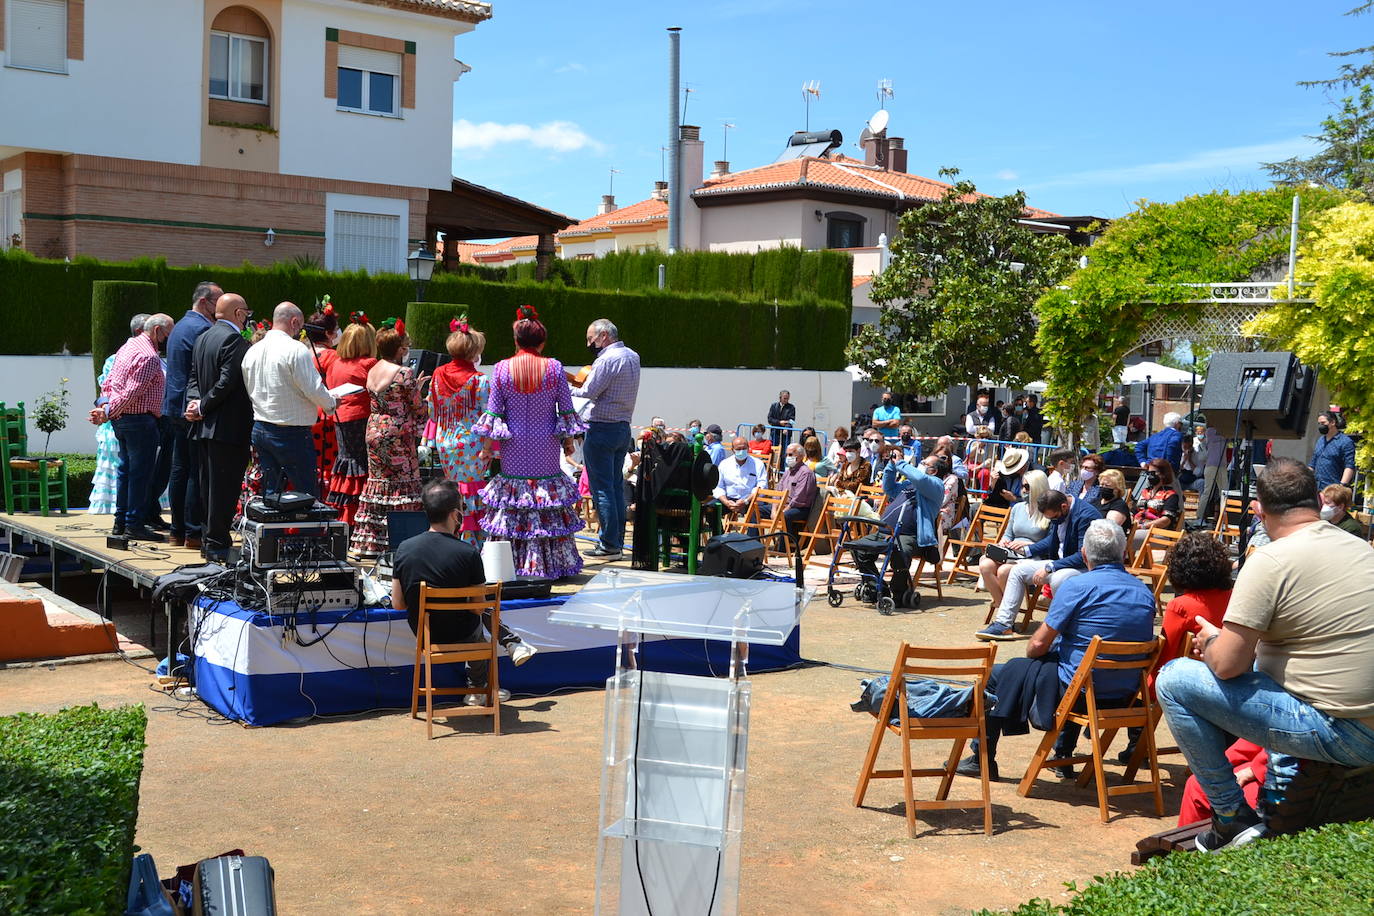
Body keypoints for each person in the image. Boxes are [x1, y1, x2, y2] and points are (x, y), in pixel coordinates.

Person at [1156, 458, 1374, 852]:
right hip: (1358, 717)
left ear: (1258, 508)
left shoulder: (1271, 559)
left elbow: (1226, 666)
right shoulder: (1358, 547)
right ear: (1316, 501)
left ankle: (1229, 816)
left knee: (1174, 679)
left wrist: (1211, 641)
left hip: (1344, 731)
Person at [958, 520, 1156, 779]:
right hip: (1125, 695)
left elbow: (1036, 646)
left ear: (1084, 554)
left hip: (1081, 694)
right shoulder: (1144, 592)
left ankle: (981, 758)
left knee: (998, 673)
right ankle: (1063, 756)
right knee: (1073, 663)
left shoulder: (1079, 586)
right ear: (1123, 553)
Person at [391, 479, 536, 707]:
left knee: (474, 618)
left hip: (426, 635)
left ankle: (486, 676)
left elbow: (398, 604)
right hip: (463, 634)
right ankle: (478, 686)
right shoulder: (468, 553)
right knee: (479, 615)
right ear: (455, 515)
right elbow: (477, 607)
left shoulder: (403, 549)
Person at [472, 306, 585, 577]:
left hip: (514, 443)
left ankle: (509, 566)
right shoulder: (555, 368)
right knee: (545, 498)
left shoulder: (501, 369)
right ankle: (550, 564)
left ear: (516, 341)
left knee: (515, 498)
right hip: (545, 441)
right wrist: (568, 442)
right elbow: (565, 409)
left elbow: (494, 411)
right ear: (542, 342)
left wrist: (487, 449)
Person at [977, 489, 1102, 641]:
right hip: (1060, 563)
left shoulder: (1086, 515)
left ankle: (1060, 630)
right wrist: (1026, 550)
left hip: (1082, 567)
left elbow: (1084, 556)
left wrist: (1050, 567)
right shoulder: (1059, 512)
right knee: (1016, 571)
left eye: (1054, 518)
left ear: (1063, 506)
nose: (1053, 521)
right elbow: (1052, 540)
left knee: (1058, 578)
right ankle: (1003, 625)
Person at [240, 303, 337, 498]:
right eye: (300, 326)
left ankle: (274, 529)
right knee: (306, 494)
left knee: (271, 493)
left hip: (261, 427)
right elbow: (313, 388)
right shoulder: (295, 350)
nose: (300, 331)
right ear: (294, 322)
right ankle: (307, 529)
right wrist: (331, 404)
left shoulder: (253, 350)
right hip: (292, 430)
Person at [94, 313, 175, 542]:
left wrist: (106, 407)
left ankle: (121, 522)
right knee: (140, 476)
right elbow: (131, 393)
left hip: (123, 421)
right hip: (139, 420)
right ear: (158, 331)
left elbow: (108, 383)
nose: (169, 340)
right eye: (168, 334)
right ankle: (134, 524)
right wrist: (108, 412)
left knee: (126, 472)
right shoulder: (148, 356)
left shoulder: (127, 347)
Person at [185, 293, 254, 562]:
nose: (248, 317)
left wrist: (195, 403)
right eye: (246, 312)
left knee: (207, 487)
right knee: (223, 489)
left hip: (204, 426)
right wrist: (201, 406)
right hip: (226, 428)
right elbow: (227, 382)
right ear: (238, 314)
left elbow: (193, 376)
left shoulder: (204, 337)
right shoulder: (234, 340)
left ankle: (209, 541)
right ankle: (217, 544)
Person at [349, 323, 427, 558]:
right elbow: (417, 407)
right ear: (401, 349)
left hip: (373, 430)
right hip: (397, 433)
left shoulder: (373, 368)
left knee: (378, 484)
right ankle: (402, 540)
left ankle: (370, 543)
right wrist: (422, 396)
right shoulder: (404, 373)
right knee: (403, 486)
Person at [572, 318, 640, 559]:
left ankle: (609, 545)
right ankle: (617, 542)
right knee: (614, 488)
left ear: (603, 336)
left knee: (602, 489)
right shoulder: (633, 355)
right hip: (623, 428)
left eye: (591, 338)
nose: (589, 343)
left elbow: (587, 392)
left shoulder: (606, 359)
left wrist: (565, 386)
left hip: (601, 428)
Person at [160, 281, 220, 548]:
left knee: (179, 468)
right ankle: (194, 533)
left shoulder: (181, 326)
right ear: (205, 302)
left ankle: (177, 530)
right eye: (218, 301)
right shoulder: (202, 329)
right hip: (191, 408)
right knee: (196, 470)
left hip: (174, 405)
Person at [426, 319, 491, 544]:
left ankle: (450, 532)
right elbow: (488, 417)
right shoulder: (479, 380)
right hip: (471, 441)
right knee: (472, 488)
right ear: (474, 352)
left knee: (454, 486)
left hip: (445, 439)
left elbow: (433, 413)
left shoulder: (438, 374)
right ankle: (472, 538)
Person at [89, 314, 150, 515]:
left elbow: (104, 393)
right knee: (126, 469)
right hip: (123, 422)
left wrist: (104, 410)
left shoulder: (119, 357)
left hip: (114, 420)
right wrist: (105, 410)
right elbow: (108, 392)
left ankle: (122, 514)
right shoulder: (135, 357)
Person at [322, 320, 377, 526]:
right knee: (362, 466)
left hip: (339, 418)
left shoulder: (335, 363)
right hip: (361, 418)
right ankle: (360, 516)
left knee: (346, 463)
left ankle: (343, 513)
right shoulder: (369, 364)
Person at [978, 469, 1051, 611]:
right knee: (985, 564)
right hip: (1011, 551)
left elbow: (1050, 543)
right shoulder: (1017, 508)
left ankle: (1006, 613)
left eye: (1027, 487)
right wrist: (1004, 541)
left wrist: (1029, 544)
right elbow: (1008, 534)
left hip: (1033, 555)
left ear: (1038, 487)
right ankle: (1002, 607)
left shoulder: (1047, 511)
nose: (1023, 490)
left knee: (1004, 571)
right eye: (1023, 486)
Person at [304, 305, 342, 498]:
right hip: (325, 415)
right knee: (326, 464)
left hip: (303, 413)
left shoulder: (301, 354)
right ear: (328, 334)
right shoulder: (333, 357)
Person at [1131, 458, 1181, 553]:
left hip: (1158, 532)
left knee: (1123, 539)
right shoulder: (1145, 492)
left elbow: (1166, 520)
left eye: (1153, 473)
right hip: (1138, 528)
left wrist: (1143, 526)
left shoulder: (1171, 494)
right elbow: (1134, 511)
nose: (1150, 476)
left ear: (1163, 474)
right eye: (1149, 473)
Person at [714, 436, 766, 518]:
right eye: (738, 449)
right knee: (710, 509)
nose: (741, 451)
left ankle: (751, 531)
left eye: (744, 448)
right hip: (729, 499)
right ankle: (719, 531)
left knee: (757, 512)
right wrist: (726, 502)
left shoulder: (758, 464)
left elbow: (762, 486)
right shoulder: (724, 464)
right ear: (733, 450)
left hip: (749, 500)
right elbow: (718, 487)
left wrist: (746, 501)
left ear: (748, 448)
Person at [778, 443, 818, 538]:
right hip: (783, 505)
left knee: (785, 516)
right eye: (786, 455)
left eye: (791, 455)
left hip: (799, 508)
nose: (788, 457)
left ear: (800, 456)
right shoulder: (787, 472)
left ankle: (783, 549)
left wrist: (783, 511)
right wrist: (774, 509)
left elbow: (799, 498)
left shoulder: (806, 473)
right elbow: (778, 491)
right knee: (757, 510)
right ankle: (752, 545)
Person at [1310, 410, 1356, 491]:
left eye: (1323, 423)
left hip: (1334, 489)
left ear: (1333, 422)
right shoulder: (1320, 440)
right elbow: (1312, 464)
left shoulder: (1345, 442)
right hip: (1317, 488)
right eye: (1319, 424)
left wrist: (1341, 486)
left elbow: (1349, 466)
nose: (1321, 426)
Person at [1195, 425, 1227, 522]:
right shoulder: (1210, 431)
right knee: (1208, 492)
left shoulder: (1224, 432)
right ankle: (1200, 516)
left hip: (1222, 466)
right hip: (1211, 466)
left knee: (1225, 492)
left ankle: (1224, 517)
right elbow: (1221, 437)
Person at [1091, 468, 1133, 533]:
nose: (1103, 487)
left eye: (1107, 485)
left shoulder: (1119, 506)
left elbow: (1108, 529)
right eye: (1101, 484)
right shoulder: (1095, 501)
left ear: (1117, 489)